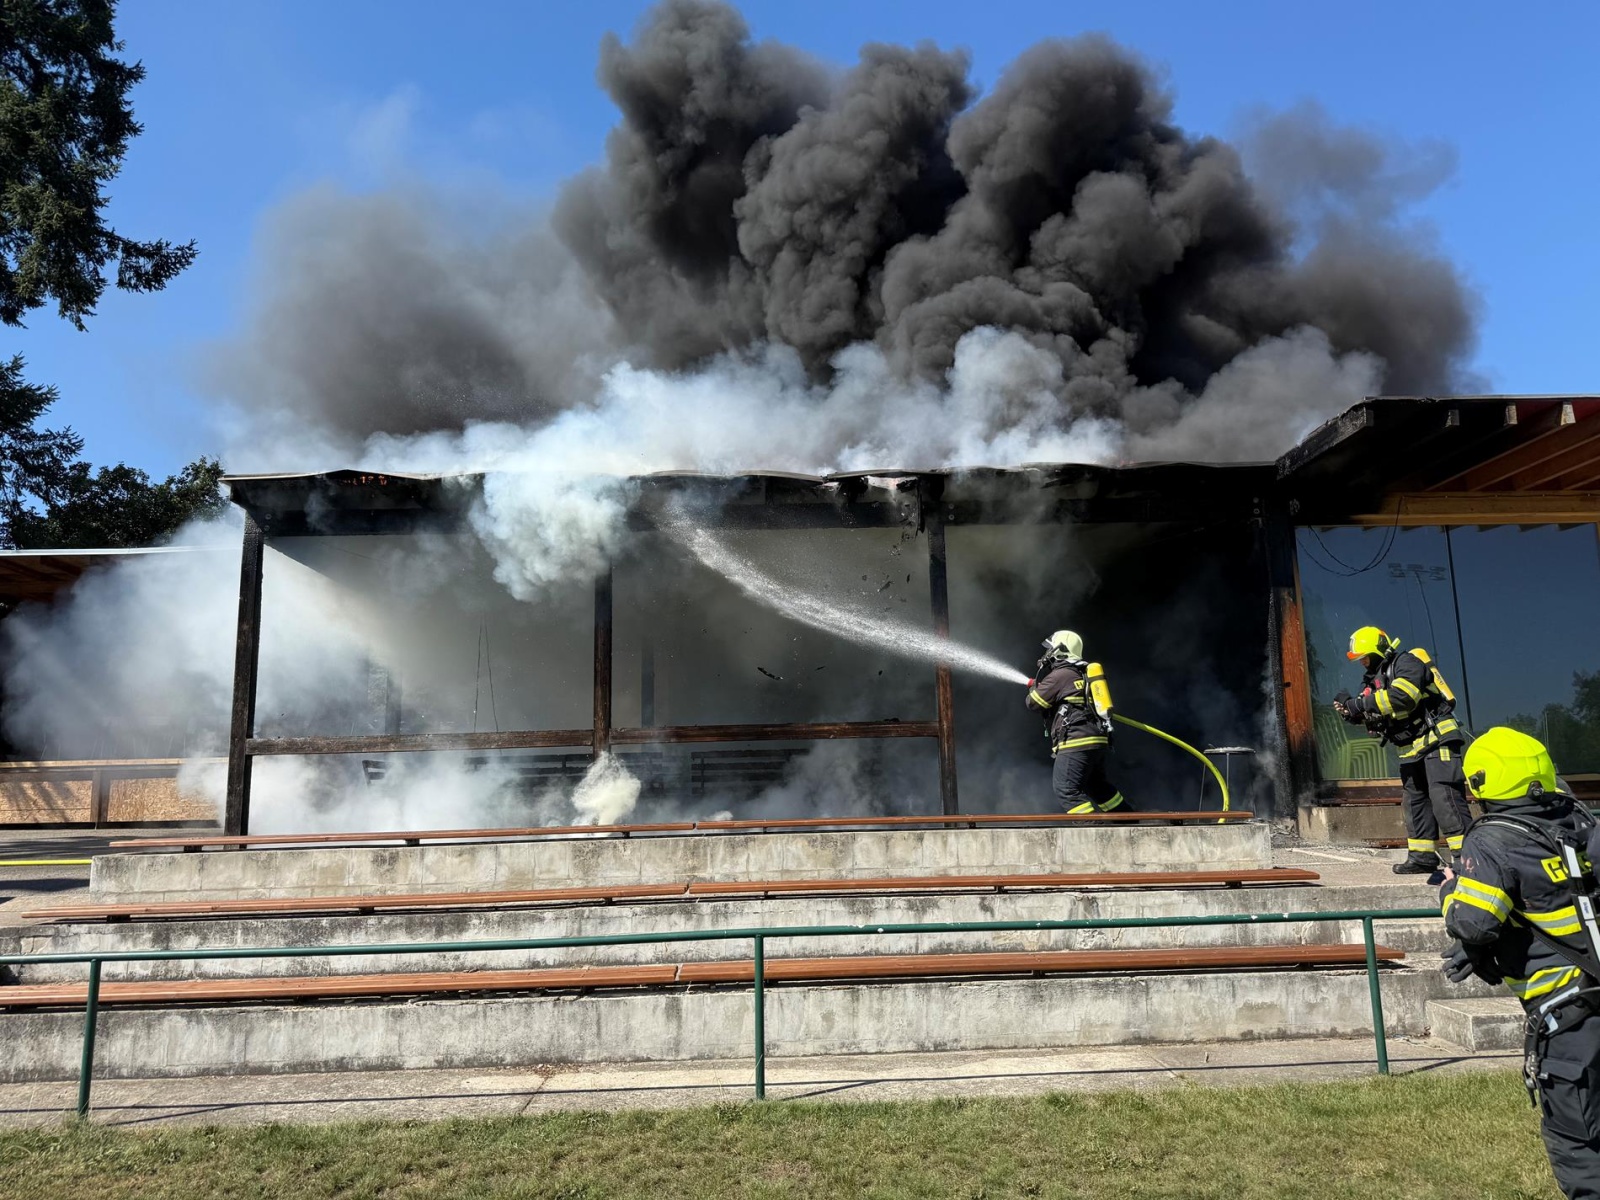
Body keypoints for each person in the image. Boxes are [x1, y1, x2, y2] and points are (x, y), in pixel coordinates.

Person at [1440, 727, 1600, 1199]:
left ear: (1481, 785)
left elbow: (1472, 924)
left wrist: (1450, 889)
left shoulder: (1493, 841)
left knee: (1579, 1141)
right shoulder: (1580, 819)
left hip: (1570, 1013)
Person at [1334, 625, 1471, 876]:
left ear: (1378, 651)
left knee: (1444, 798)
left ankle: (1469, 859)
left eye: (1364, 657)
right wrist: (1352, 713)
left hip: (1436, 739)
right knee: (1414, 803)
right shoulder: (1377, 679)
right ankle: (1422, 857)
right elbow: (1377, 712)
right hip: (1410, 748)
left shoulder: (1407, 663)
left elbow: (1402, 697)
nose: (1363, 663)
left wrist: (1359, 703)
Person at [1025, 630, 1127, 814]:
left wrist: (1034, 689)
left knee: (1066, 790)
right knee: (1097, 786)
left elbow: (1034, 703)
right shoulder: (1081, 672)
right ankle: (1128, 819)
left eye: (1050, 648)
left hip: (1076, 740)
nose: (1046, 653)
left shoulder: (1061, 675)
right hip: (1096, 740)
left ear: (1059, 649)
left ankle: (1093, 833)